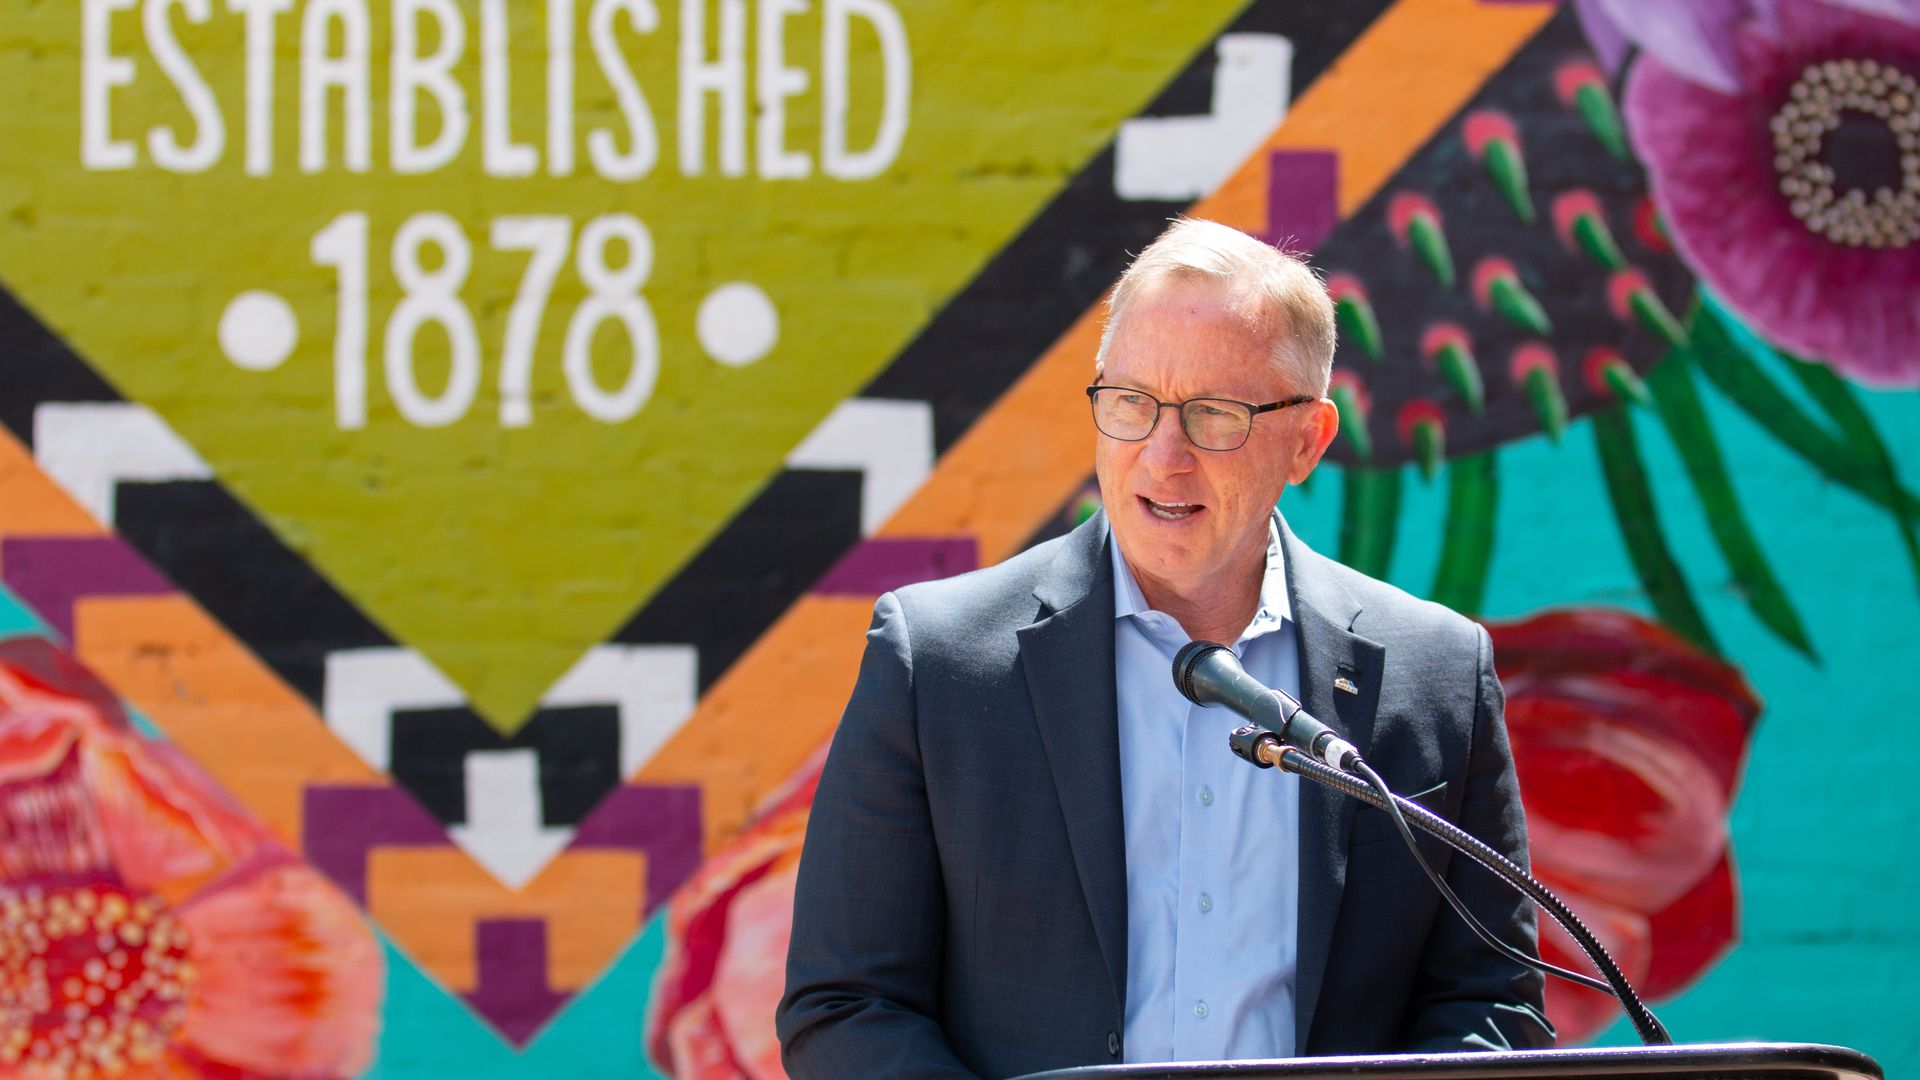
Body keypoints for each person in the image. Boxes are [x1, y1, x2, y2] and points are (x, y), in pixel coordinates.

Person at [777, 219, 1552, 1079]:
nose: (1162, 455)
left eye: (1215, 414)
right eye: (1132, 403)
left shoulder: (1436, 673)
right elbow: (846, 1005)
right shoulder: (939, 661)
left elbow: (1492, 1005)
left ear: (1307, 442)